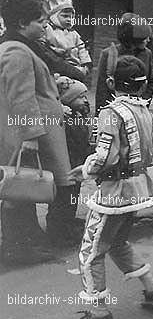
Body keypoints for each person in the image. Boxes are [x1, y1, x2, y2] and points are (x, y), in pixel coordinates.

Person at [63, 55, 153, 319]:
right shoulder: (145, 111)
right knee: (116, 241)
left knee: (90, 252)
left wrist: (86, 170)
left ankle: (98, 312)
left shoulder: (111, 112)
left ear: (111, 82)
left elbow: (105, 155)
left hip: (113, 191)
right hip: (138, 187)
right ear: (143, 85)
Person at [0, 0, 80, 264]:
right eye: (40, 21)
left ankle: (27, 242)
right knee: (21, 188)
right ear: (22, 23)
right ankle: (20, 248)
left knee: (26, 187)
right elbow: (21, 98)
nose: (46, 26)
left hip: (34, 132)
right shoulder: (17, 51)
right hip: (34, 135)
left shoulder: (18, 47)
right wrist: (31, 136)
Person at [55, 75, 93, 244]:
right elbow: (78, 140)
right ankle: (60, 231)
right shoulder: (67, 119)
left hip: (76, 163)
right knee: (64, 199)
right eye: (80, 97)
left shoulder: (77, 115)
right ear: (68, 100)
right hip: (68, 164)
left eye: (85, 96)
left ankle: (67, 223)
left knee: (72, 196)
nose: (85, 100)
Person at [94, 13, 153, 112]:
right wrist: (101, 116)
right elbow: (102, 90)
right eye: (145, 38)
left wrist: (143, 104)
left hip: (139, 108)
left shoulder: (147, 54)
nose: (148, 40)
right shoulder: (108, 54)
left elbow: (151, 81)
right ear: (133, 38)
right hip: (114, 110)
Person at [42, 0, 91, 78]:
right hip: (57, 66)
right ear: (55, 16)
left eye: (71, 17)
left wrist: (86, 64)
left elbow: (81, 48)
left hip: (75, 66)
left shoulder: (74, 34)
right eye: (65, 16)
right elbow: (44, 47)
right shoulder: (48, 29)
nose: (69, 20)